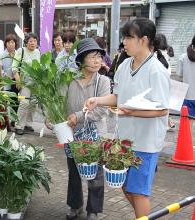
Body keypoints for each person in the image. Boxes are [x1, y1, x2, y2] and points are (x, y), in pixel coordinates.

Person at [85, 18, 170, 219]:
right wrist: (97, 100)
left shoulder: (157, 70)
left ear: (144, 40)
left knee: (139, 192)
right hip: (124, 140)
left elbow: (162, 110)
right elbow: (118, 97)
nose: (124, 42)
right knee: (123, 184)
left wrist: (131, 112)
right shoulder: (124, 66)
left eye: (129, 37)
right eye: (124, 37)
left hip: (146, 143)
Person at [58, 38, 110, 220]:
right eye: (93, 57)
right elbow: (59, 104)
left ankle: (93, 210)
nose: (98, 61)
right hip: (72, 134)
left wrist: (78, 116)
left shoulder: (102, 81)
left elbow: (102, 111)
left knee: (95, 173)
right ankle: (75, 205)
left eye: (99, 57)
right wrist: (53, 119)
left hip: (95, 135)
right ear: (81, 60)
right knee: (74, 171)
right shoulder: (68, 80)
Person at [12, 33, 41, 135]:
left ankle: (28, 124)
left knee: (33, 103)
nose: (33, 43)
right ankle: (19, 126)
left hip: (35, 83)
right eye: (30, 41)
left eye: (35, 41)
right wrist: (18, 80)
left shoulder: (38, 52)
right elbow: (14, 67)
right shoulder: (21, 51)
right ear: (26, 42)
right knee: (24, 103)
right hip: (24, 82)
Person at [177, 34, 195, 135]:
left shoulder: (183, 57)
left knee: (188, 124)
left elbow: (179, 74)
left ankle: (187, 147)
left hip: (188, 95)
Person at [0, 34, 19, 129]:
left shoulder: (18, 53)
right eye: (9, 42)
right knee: (6, 102)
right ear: (5, 44)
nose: (11, 44)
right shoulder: (2, 55)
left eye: (13, 42)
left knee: (17, 101)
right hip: (7, 83)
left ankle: (14, 120)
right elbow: (0, 69)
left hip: (16, 82)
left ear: (15, 43)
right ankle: (6, 121)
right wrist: (5, 75)